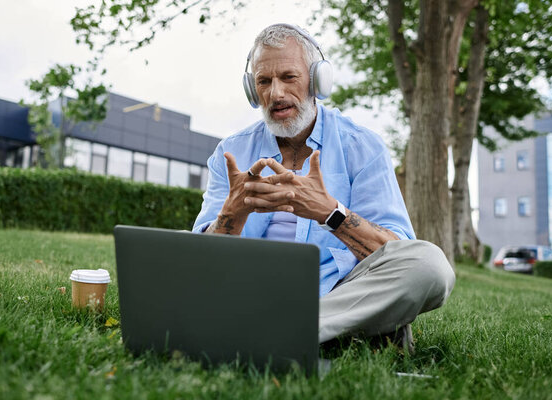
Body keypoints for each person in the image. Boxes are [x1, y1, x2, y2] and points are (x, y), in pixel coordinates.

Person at [192, 23, 455, 353]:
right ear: (252, 89)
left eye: (288, 77)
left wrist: (331, 213)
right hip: (248, 289)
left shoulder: (362, 146)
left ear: (318, 81)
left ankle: (274, 332)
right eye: (264, 81)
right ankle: (343, 332)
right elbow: (198, 262)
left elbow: (396, 250)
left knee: (428, 265)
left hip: (336, 291)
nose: (275, 93)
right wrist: (233, 213)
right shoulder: (230, 153)